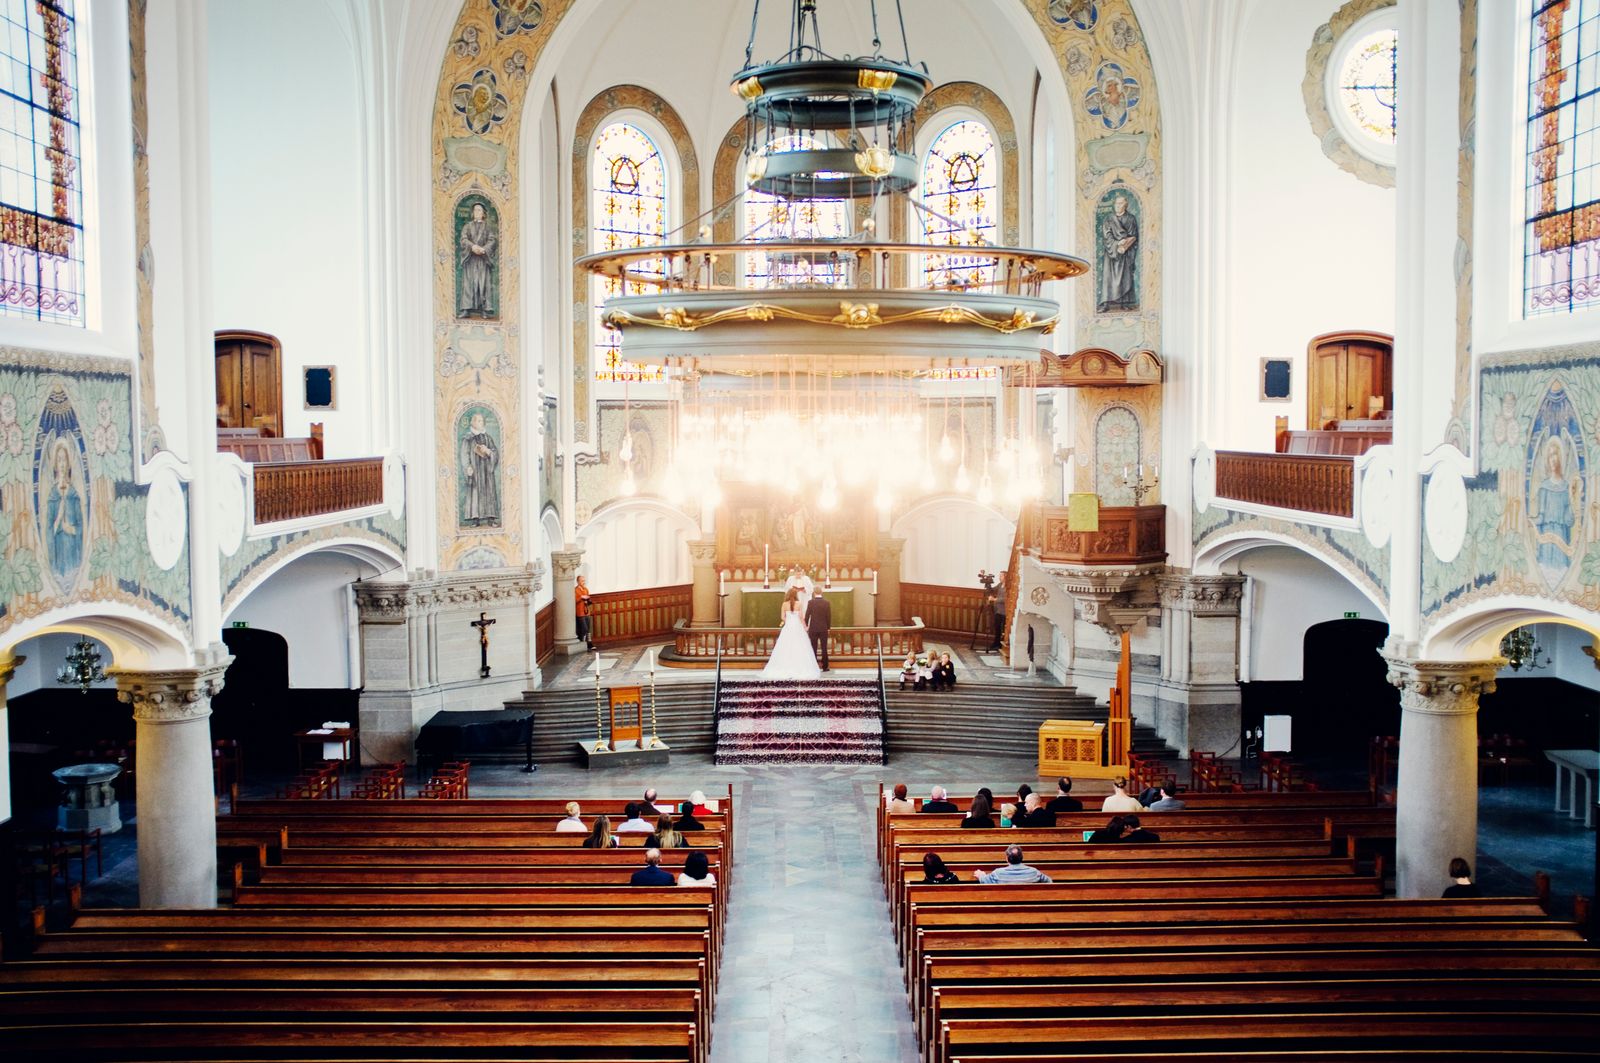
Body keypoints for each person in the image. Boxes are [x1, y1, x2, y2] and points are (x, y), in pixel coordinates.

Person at [760, 585, 822, 679]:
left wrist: (787, 621)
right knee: (800, 646)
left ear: (788, 595)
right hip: (798, 627)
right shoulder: (799, 603)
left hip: (788, 627)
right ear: (796, 595)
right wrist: (805, 626)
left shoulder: (784, 604)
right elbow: (801, 617)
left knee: (785, 646)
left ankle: (784, 666)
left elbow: (782, 617)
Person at [459, 412, 501, 528]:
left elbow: (495, 453)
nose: (480, 423)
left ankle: (491, 518)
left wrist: (488, 451)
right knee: (475, 492)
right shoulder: (468, 438)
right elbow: (464, 454)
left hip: (487, 471)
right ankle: (475, 519)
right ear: (473, 422)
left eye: (482, 421)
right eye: (478, 421)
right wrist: (467, 467)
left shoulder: (488, 438)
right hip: (475, 471)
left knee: (489, 492)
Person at [458, 200, 498, 316]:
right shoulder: (467, 226)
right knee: (468, 283)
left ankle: (485, 310)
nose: (477, 212)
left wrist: (483, 249)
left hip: (483, 259)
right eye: (475, 210)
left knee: (483, 283)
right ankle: (466, 309)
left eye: (479, 210)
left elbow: (492, 240)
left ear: (483, 213)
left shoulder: (488, 227)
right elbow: (463, 239)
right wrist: (473, 246)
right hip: (470, 258)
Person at [975, 844, 1052, 884]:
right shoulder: (1034, 872)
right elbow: (1049, 881)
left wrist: (981, 875)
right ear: (1022, 857)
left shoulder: (998, 873)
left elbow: (985, 880)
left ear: (1007, 859)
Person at [805, 590, 832, 671]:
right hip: (823, 628)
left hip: (813, 628)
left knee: (813, 647)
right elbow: (828, 616)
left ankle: (814, 666)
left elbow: (807, 615)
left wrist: (806, 625)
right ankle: (825, 666)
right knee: (824, 647)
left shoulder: (810, 602)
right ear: (821, 592)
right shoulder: (826, 603)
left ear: (814, 593)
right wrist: (828, 628)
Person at [987, 572, 1007, 651]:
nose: (999, 577)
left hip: (1005, 611)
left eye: (1001, 576)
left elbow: (1005, 599)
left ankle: (1003, 644)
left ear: (1005, 577)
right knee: (997, 628)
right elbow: (992, 590)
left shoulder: (1008, 587)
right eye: (999, 576)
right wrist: (988, 585)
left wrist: (994, 599)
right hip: (998, 610)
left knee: (1003, 629)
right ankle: (996, 643)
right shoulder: (999, 585)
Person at [574, 574, 593, 649]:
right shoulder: (575, 590)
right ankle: (585, 643)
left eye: (584, 581)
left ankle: (589, 643)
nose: (583, 582)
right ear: (578, 582)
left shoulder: (586, 589)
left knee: (588, 628)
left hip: (586, 611)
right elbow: (575, 600)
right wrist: (581, 597)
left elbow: (588, 598)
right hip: (580, 612)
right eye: (582, 581)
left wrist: (588, 600)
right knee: (583, 629)